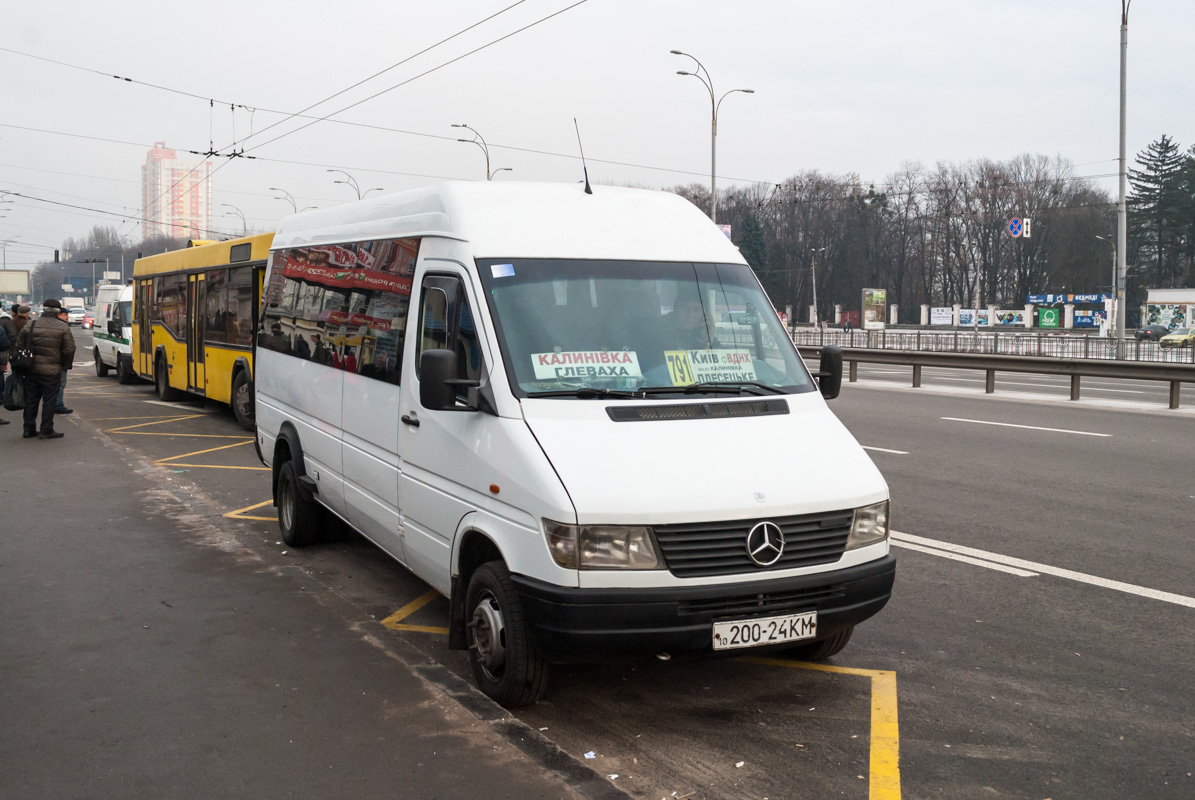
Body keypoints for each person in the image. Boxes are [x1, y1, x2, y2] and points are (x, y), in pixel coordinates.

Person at [14, 298, 76, 439]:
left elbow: (19, 345)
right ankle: (46, 429)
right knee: (49, 401)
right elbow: (69, 349)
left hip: (30, 369)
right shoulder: (62, 327)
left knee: (31, 400)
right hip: (52, 370)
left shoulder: (31, 324)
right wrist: (64, 364)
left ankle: (28, 429)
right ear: (58, 311)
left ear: (43, 309)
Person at [55, 305, 73, 415]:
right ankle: (58, 405)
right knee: (60, 384)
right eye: (65, 315)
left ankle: (54, 404)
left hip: (48, 361)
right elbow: (69, 347)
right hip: (60, 361)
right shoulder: (62, 326)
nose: (67, 317)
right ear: (58, 314)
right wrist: (67, 360)